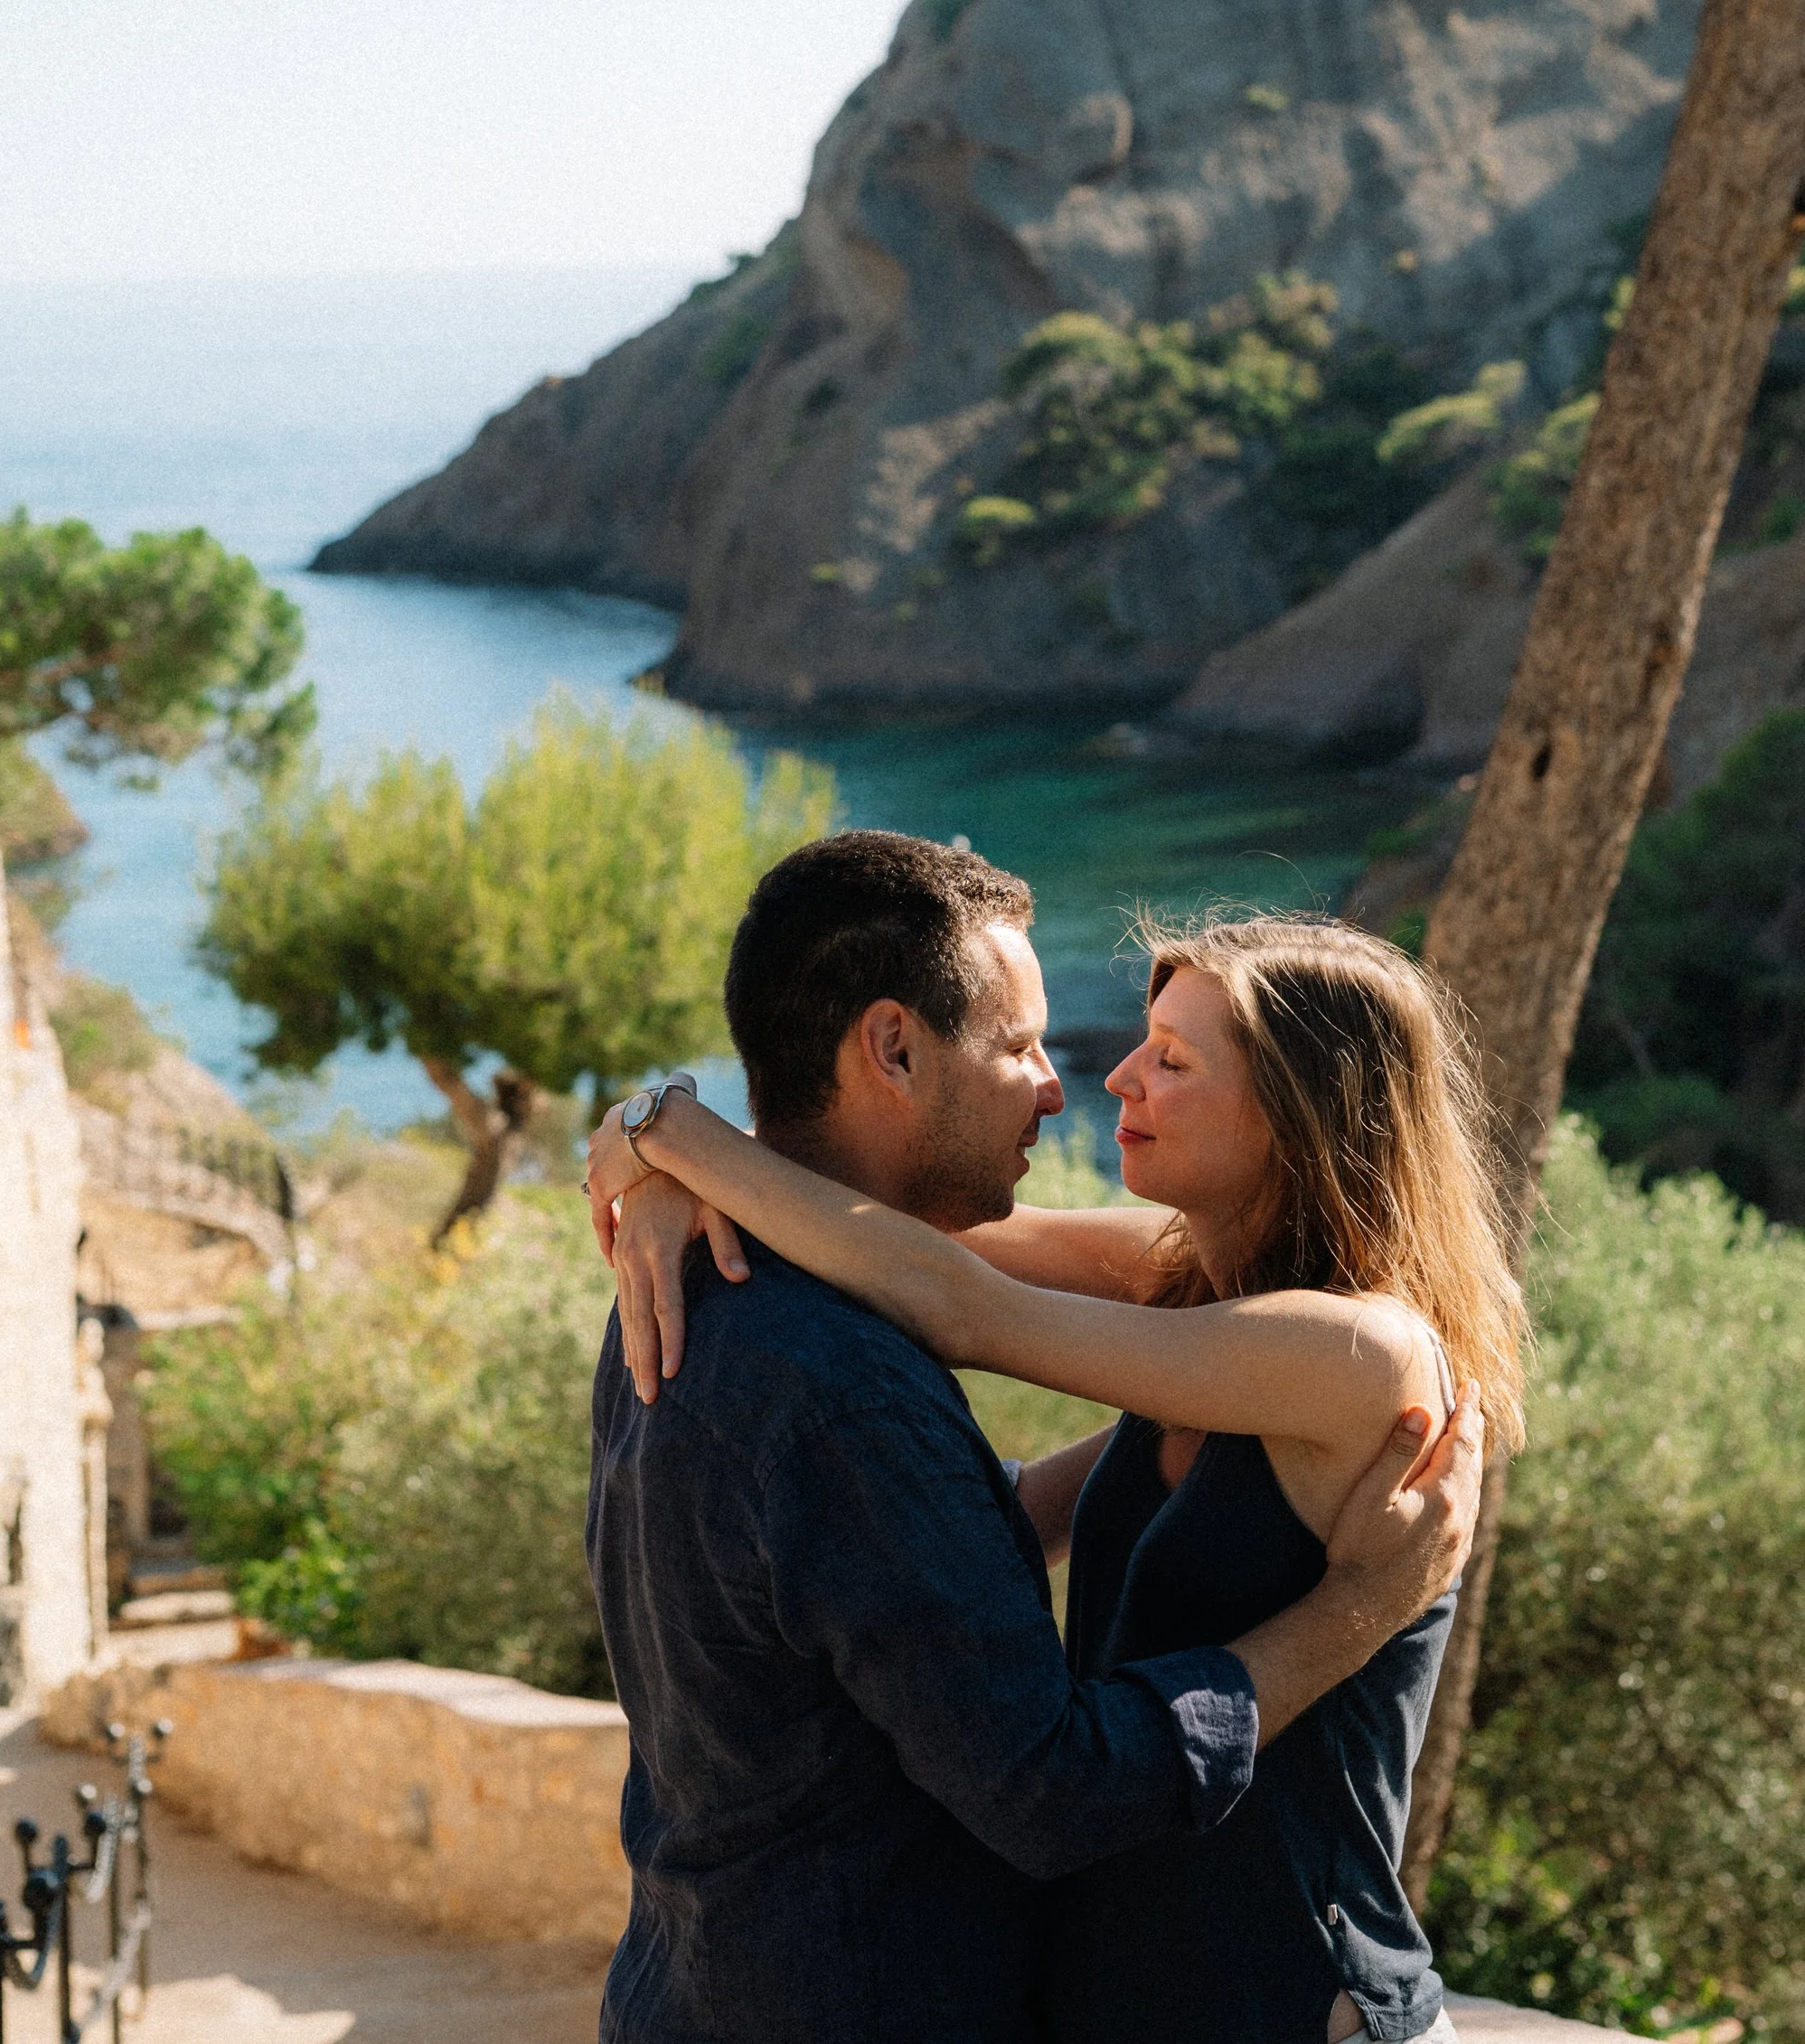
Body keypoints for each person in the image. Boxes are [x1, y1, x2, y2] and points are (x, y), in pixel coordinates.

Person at [582, 831, 1484, 2044]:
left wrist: (681, 1139)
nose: (1106, 1079)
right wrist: (660, 1155)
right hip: (1130, 2003)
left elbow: (953, 1298)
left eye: (1171, 1060)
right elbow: (903, 1237)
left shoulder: (1357, 1353)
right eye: (1031, 1046)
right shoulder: (1185, 1285)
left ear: (1299, 1112)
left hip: (1291, 2003)